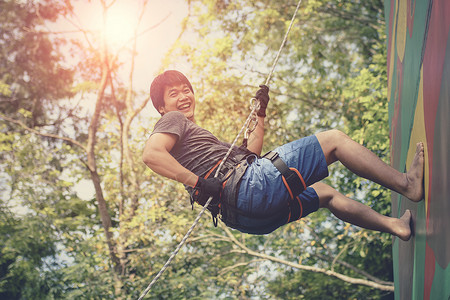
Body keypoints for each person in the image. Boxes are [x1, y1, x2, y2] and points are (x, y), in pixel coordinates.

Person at [142, 70, 424, 240]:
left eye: (186, 90)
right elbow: (151, 154)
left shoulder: (198, 143)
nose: (183, 96)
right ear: (162, 108)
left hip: (249, 217)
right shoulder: (173, 121)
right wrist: (199, 182)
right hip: (245, 190)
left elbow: (252, 155)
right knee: (334, 140)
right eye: (173, 94)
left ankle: (395, 226)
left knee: (325, 193)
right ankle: (406, 184)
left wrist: (260, 113)